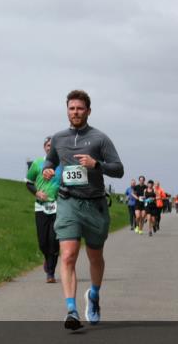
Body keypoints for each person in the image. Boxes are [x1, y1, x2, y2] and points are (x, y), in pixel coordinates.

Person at [42, 90, 124, 330]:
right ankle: (71, 310)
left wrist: (95, 164)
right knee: (68, 255)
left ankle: (94, 295)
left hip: (95, 204)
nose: (75, 112)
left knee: (95, 256)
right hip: (68, 201)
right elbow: (50, 160)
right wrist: (48, 169)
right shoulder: (58, 138)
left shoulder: (100, 139)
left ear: (88, 111)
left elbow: (118, 169)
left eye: (79, 108)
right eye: (71, 108)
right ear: (67, 110)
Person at [26, 137, 62, 282]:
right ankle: (47, 259)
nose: (50, 148)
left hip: (58, 207)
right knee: (43, 242)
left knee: (54, 241)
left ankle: (51, 273)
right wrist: (37, 193)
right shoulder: (37, 163)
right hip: (40, 207)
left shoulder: (62, 165)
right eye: (48, 145)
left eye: (52, 146)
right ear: (44, 147)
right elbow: (28, 183)